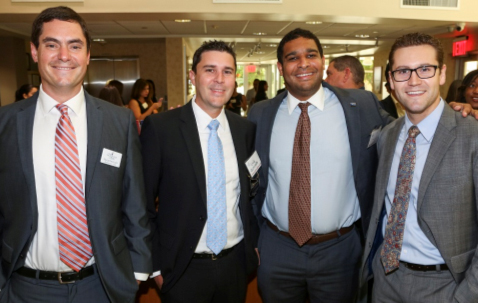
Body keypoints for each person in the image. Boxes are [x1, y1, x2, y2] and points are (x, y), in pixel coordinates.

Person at [0, 6, 151, 302]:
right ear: (34, 51)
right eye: (51, 45)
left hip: (102, 285)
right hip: (26, 288)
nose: (64, 56)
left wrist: (138, 268)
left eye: (75, 46)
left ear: (88, 54)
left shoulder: (118, 121)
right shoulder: (5, 123)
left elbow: (134, 200)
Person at [248, 28, 393, 302]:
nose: (303, 63)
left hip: (340, 250)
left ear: (323, 60)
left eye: (311, 55)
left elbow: (403, 131)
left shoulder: (361, 105)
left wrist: (451, 110)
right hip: (278, 248)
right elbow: (252, 178)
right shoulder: (261, 113)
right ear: (281, 67)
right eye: (293, 58)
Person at [361, 32, 478, 302]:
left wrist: (467, 297)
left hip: (447, 285)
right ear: (390, 80)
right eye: (403, 71)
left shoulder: (472, 136)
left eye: (425, 69)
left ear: (442, 74)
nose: (413, 81)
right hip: (385, 279)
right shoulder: (387, 135)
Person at [141, 40, 259, 302]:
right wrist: (157, 266)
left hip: (234, 264)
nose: (219, 79)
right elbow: (142, 203)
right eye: (210, 70)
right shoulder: (161, 128)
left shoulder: (244, 130)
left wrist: (253, 247)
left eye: (227, 71)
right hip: (182, 268)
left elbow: (249, 193)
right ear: (193, 76)